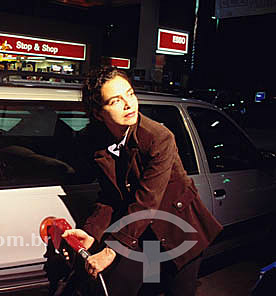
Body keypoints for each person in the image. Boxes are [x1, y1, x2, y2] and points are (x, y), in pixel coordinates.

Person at [61, 66, 223, 295]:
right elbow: (109, 197)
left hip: (177, 232)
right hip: (141, 234)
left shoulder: (158, 137)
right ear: (98, 113)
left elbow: (147, 202)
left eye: (130, 94)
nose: (128, 104)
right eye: (115, 101)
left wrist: (109, 251)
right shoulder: (97, 140)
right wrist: (90, 232)